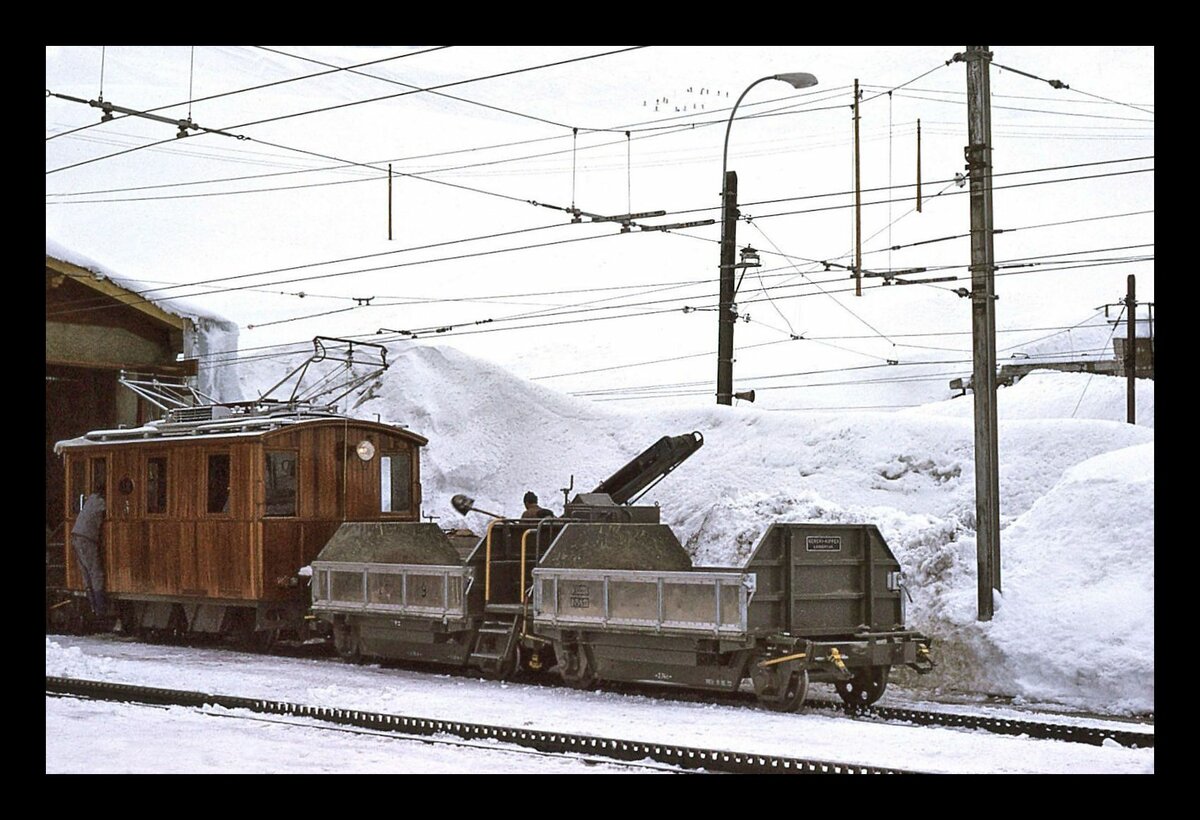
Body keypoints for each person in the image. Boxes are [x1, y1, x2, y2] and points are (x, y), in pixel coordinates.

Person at [71, 479, 108, 618]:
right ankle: (100, 608)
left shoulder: (90, 500)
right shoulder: (101, 503)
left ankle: (93, 606)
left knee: (86, 573)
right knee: (95, 572)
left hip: (76, 536)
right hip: (87, 538)